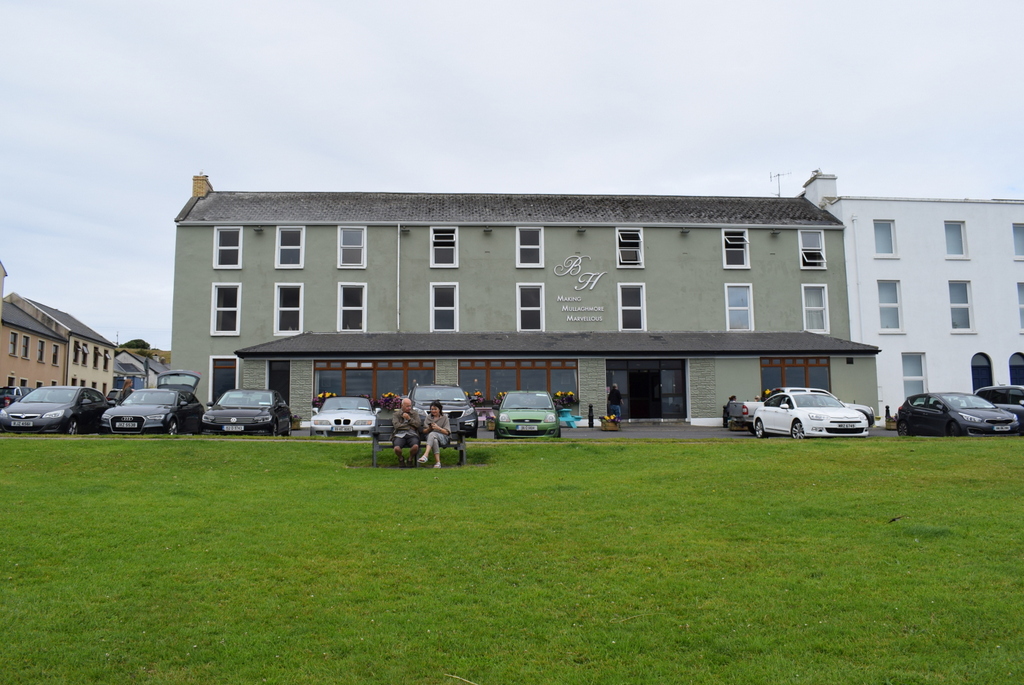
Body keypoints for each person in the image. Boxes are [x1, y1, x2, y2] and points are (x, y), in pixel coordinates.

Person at [418, 401, 450, 468]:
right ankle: (438, 463)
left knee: (432, 434)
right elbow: (424, 431)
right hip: (431, 438)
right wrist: (429, 428)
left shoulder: (445, 418)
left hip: (443, 437)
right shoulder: (428, 417)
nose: (433, 411)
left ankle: (425, 455)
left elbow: (447, 432)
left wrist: (438, 428)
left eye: (435, 409)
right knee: (434, 439)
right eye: (432, 409)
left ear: (439, 409)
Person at [392, 398, 422, 467]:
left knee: (415, 446)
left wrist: (409, 419)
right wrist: (409, 426)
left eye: (410, 406)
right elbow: (397, 426)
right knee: (397, 448)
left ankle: (410, 459)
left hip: (412, 434)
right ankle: (401, 459)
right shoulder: (396, 414)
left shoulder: (414, 413)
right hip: (399, 435)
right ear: (402, 405)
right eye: (407, 406)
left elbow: (418, 424)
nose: (409, 408)